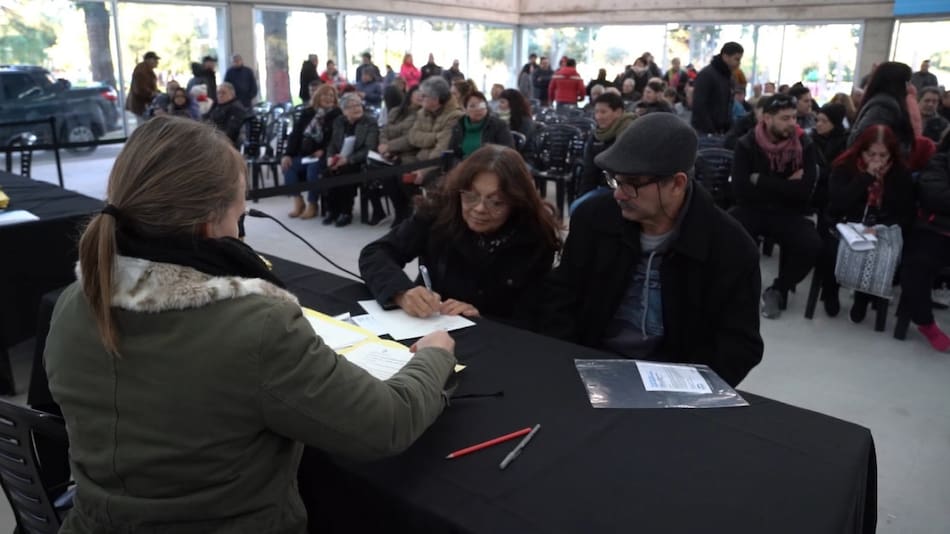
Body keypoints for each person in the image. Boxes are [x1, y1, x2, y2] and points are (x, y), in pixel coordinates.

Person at [43, 115, 457, 533]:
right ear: (211, 220)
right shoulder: (258, 326)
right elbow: (385, 424)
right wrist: (434, 357)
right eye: (241, 201)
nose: (244, 214)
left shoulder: (75, 302)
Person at [538, 113, 763, 387]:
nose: (619, 194)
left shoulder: (730, 247)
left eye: (631, 184)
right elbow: (560, 297)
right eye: (615, 180)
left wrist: (686, 388)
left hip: (675, 382)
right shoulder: (594, 219)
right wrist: (571, 363)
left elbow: (739, 345)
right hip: (588, 366)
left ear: (677, 184)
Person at [360, 145, 560, 324]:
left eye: (496, 202)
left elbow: (533, 316)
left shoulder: (535, 236)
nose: (480, 208)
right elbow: (376, 252)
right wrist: (401, 292)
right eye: (471, 196)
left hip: (494, 340)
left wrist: (481, 318)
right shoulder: (439, 212)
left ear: (516, 202)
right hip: (428, 324)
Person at [730, 93, 821, 319]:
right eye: (785, 118)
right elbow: (740, 189)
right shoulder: (747, 144)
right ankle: (739, 287)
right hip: (752, 208)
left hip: (788, 212)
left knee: (812, 245)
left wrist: (760, 180)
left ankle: (778, 289)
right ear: (767, 118)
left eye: (794, 118)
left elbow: (804, 192)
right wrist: (785, 185)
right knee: (726, 234)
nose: (792, 123)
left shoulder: (805, 145)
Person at [819, 125, 915, 319]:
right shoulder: (844, 166)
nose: (877, 160)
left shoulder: (899, 173)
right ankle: (831, 291)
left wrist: (881, 228)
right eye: (871, 154)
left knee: (877, 249)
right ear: (861, 151)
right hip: (843, 222)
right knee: (832, 247)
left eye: (883, 155)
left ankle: (863, 298)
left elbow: (905, 211)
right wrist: (866, 178)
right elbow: (838, 203)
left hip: (879, 227)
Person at [898, 135, 950, 351]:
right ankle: (925, 322)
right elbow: (936, 197)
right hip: (935, 230)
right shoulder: (940, 162)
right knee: (917, 267)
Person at [282, 84, 341, 219]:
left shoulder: (337, 115)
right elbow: (295, 135)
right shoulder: (307, 113)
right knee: (288, 166)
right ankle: (298, 201)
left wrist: (323, 151)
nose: (328, 98)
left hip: (324, 156)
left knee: (313, 169)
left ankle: (312, 204)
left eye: (331, 96)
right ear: (318, 97)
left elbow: (336, 139)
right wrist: (287, 154)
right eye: (325, 95)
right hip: (305, 154)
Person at [571, 92, 636, 213]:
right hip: (603, 188)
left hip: (630, 191)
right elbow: (589, 172)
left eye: (603, 112)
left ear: (618, 112)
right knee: (577, 208)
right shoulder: (597, 136)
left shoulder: (630, 132)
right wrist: (583, 197)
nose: (598, 116)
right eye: (596, 112)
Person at [323, 93, 380, 227]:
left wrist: (348, 160)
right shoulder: (339, 121)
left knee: (345, 172)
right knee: (327, 172)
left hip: (360, 160)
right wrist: (330, 157)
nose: (357, 108)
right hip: (340, 157)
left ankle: (346, 212)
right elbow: (332, 143)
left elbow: (369, 148)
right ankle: (332, 210)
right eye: (352, 106)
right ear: (344, 111)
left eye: (358, 105)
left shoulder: (369, 122)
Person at [406, 77, 464, 185]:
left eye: (424, 96)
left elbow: (442, 149)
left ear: (436, 99)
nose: (420, 98)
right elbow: (412, 136)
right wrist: (436, 136)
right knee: (395, 174)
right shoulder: (423, 112)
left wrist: (423, 172)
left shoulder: (455, 116)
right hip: (420, 159)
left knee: (423, 180)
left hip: (438, 165)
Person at [692, 42, 744, 136]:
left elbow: (726, 105)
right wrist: (711, 130)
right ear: (725, 56)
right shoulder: (707, 75)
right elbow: (699, 105)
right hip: (705, 132)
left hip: (718, 131)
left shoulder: (727, 77)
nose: (739, 63)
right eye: (736, 59)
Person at [448, 91, 514, 161]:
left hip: (490, 166)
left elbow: (508, 152)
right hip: (464, 166)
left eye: (482, 105)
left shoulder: (498, 125)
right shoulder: (459, 126)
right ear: (465, 110)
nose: (478, 109)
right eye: (472, 106)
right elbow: (452, 153)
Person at [810, 103, 850, 218]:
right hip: (814, 195)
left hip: (833, 196)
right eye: (817, 120)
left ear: (835, 123)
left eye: (824, 121)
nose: (819, 124)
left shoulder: (845, 142)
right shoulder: (811, 140)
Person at [203, 82, 246, 149]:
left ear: (232, 94)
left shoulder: (236, 108)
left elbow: (230, 132)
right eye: (218, 93)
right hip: (211, 137)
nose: (220, 95)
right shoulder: (217, 104)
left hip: (224, 143)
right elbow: (206, 117)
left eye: (223, 93)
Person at [126, 51, 160, 120]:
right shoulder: (142, 70)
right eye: (155, 60)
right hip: (141, 105)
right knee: (143, 126)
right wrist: (152, 93)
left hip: (142, 105)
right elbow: (140, 88)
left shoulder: (145, 69)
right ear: (149, 60)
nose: (157, 62)